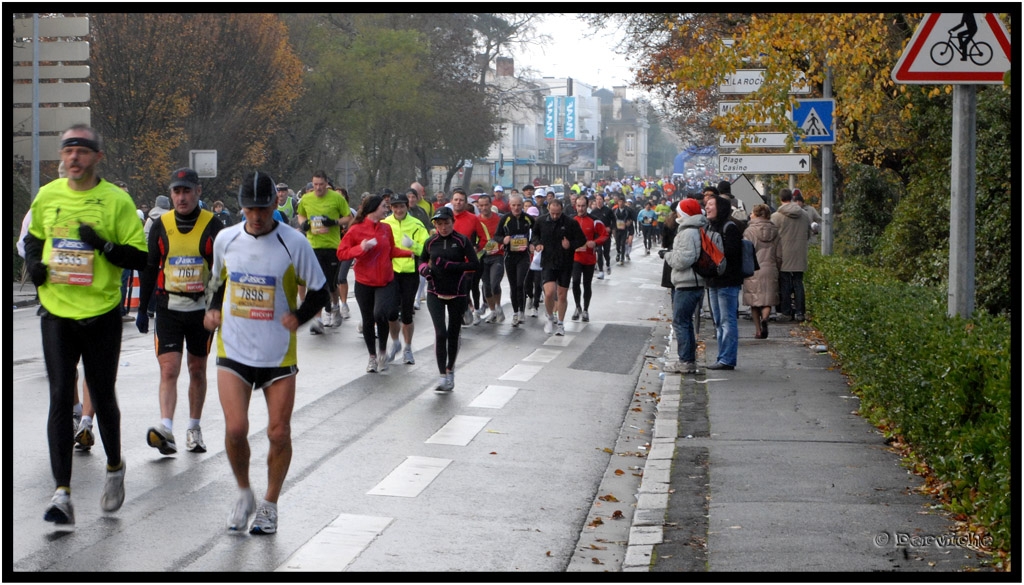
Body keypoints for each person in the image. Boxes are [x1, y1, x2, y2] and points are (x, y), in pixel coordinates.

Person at [25, 124, 147, 527]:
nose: (73, 157)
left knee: (101, 392)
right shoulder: (48, 195)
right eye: (67, 150)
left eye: (81, 150)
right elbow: (33, 238)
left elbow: (140, 258)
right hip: (57, 310)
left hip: (101, 313)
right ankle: (62, 492)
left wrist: (103, 245)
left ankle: (114, 466)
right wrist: (34, 266)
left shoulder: (116, 201)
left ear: (97, 157)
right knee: (61, 396)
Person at [204, 170, 329, 534]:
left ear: (276, 204)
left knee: (278, 432)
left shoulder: (294, 243)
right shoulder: (226, 239)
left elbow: (319, 291)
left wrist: (299, 316)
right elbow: (217, 279)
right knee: (236, 428)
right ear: (240, 207)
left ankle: (270, 504)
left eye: (263, 209)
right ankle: (244, 493)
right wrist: (212, 308)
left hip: (277, 354)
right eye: (249, 209)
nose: (256, 217)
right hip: (234, 349)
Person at [135, 167, 223, 455]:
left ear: (198, 191)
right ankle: (166, 428)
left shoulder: (214, 225)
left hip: (200, 310)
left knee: (197, 369)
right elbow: (150, 268)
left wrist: (216, 307)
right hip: (168, 307)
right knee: (169, 368)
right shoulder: (162, 224)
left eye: (187, 191)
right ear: (170, 194)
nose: (181, 197)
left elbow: (223, 273)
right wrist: (141, 309)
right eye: (176, 191)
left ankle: (194, 428)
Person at [337, 193, 414, 373]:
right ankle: (372, 357)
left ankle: (382, 352)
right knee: (368, 319)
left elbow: (391, 250)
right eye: (383, 207)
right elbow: (341, 253)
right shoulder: (356, 230)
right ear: (373, 209)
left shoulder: (385, 228)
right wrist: (360, 248)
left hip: (385, 281)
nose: (386, 209)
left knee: (381, 313)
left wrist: (407, 253)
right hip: (364, 282)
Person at [419, 207, 480, 392]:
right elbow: (421, 260)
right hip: (435, 292)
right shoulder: (431, 242)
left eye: (446, 223)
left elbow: (474, 264)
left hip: (458, 292)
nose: (443, 227)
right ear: (435, 225)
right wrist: (424, 270)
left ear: (452, 223)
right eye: (439, 224)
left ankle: (450, 369)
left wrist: (451, 266)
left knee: (453, 333)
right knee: (440, 333)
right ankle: (442, 377)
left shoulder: (461, 241)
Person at [296, 170, 352, 332]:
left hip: (332, 246)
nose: (318, 188)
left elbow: (348, 218)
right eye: (315, 185)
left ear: (327, 183)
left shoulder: (337, 198)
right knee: (316, 283)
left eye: (321, 184)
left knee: (330, 284)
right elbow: (301, 215)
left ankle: (334, 307)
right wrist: (304, 224)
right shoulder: (306, 199)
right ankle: (318, 318)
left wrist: (334, 222)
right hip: (313, 246)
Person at [381, 192, 429, 365]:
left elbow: (426, 248)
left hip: (410, 273)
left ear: (407, 207)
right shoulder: (384, 224)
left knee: (407, 314)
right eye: (395, 206)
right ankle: (395, 343)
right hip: (390, 272)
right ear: (391, 208)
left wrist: (413, 245)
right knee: (391, 312)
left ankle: (408, 348)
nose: (399, 209)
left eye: (401, 206)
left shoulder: (416, 224)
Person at [531, 197, 587, 336]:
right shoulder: (541, 221)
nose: (555, 216)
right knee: (549, 293)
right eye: (552, 213)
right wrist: (537, 244)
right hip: (548, 261)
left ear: (561, 210)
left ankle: (561, 324)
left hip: (565, 262)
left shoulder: (570, 222)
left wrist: (570, 245)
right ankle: (550, 317)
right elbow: (534, 235)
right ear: (548, 209)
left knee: (562, 295)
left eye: (557, 213)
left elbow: (581, 240)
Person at [662, 198, 706, 374]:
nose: (677, 214)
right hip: (692, 281)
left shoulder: (687, 232)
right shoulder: (696, 229)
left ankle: (685, 361)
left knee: (680, 322)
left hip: (687, 282)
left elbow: (683, 260)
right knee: (686, 322)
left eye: (679, 211)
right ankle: (687, 359)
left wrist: (667, 256)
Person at [704, 193, 745, 370]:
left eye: (711, 204)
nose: (706, 207)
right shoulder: (710, 227)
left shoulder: (730, 228)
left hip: (727, 281)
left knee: (727, 321)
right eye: (706, 204)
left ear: (720, 207)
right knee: (718, 321)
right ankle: (721, 357)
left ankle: (727, 359)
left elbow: (732, 254)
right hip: (714, 281)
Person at [771, 188, 812, 322]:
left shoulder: (776, 216)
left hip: (783, 254)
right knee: (798, 283)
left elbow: (772, 236)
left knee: (785, 284)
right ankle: (800, 312)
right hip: (800, 253)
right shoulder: (805, 215)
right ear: (793, 198)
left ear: (780, 199)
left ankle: (786, 312)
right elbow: (808, 234)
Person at [494, 193, 534, 327]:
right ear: (510, 206)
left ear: (523, 206)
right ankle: (515, 313)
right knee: (513, 285)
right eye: (513, 205)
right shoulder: (505, 219)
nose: (516, 208)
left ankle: (522, 312)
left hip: (523, 256)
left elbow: (537, 232)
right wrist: (503, 240)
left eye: (519, 205)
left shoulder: (528, 218)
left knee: (519, 284)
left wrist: (533, 243)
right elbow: (497, 236)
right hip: (510, 256)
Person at [742, 204, 781, 339]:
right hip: (770, 267)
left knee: (754, 302)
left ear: (757, 214)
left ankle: (758, 330)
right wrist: (777, 267)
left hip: (753, 269)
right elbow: (779, 254)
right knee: (767, 300)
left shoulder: (749, 231)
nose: (750, 215)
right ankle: (765, 318)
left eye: (752, 213)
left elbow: (746, 252)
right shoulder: (775, 231)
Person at [570, 195, 608, 322]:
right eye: (578, 206)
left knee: (587, 284)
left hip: (589, 258)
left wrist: (595, 243)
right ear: (575, 206)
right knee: (575, 282)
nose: (580, 209)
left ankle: (586, 310)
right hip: (575, 257)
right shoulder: (571, 219)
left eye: (583, 206)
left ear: (588, 206)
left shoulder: (594, 220)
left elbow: (605, 235)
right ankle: (577, 306)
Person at [449, 188, 484, 325]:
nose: (458, 202)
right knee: (452, 291)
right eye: (456, 199)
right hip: (450, 262)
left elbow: (483, 238)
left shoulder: (473, 219)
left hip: (467, 263)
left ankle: (468, 309)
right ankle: (462, 310)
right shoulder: (446, 218)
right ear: (451, 201)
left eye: (461, 200)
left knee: (465, 288)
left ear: (465, 203)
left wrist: (476, 249)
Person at [475, 193, 506, 323]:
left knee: (494, 283)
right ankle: (493, 311)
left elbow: (506, 234)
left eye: (486, 205)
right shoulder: (476, 220)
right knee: (486, 286)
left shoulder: (499, 219)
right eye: (481, 205)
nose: (484, 208)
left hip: (497, 255)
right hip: (482, 256)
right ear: (478, 206)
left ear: (491, 204)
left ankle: (498, 307)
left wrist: (504, 242)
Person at [589, 194, 615, 278]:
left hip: (606, 235)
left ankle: (608, 264)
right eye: (597, 199)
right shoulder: (593, 212)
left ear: (603, 200)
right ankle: (601, 271)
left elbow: (614, 221)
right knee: (599, 252)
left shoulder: (608, 211)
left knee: (606, 253)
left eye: (600, 199)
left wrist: (610, 228)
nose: (599, 201)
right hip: (597, 236)